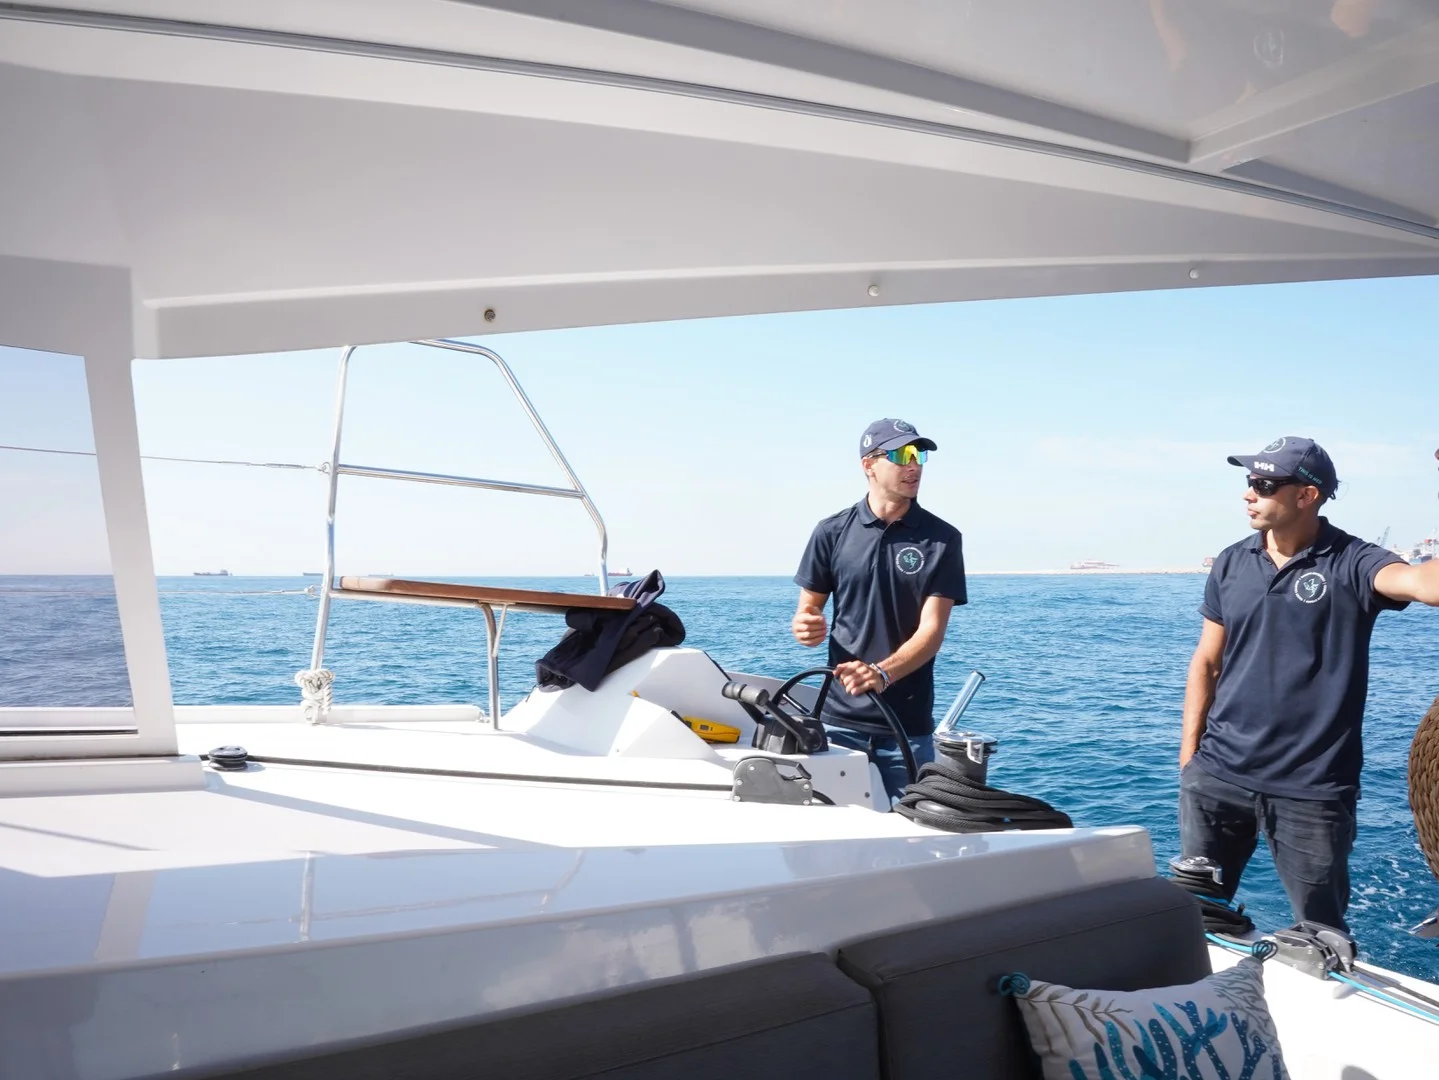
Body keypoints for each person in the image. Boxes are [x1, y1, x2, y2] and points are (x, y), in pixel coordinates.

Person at [1180, 436, 1439, 930]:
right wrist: (1190, 759)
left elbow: (1423, 585)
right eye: (1249, 482)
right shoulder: (1232, 562)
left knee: (1322, 934)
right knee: (1197, 919)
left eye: (1264, 483)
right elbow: (1207, 662)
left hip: (1312, 790)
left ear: (1307, 496)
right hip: (1216, 777)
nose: (1248, 494)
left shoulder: (1354, 562)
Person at [791, 418, 967, 803]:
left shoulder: (942, 539)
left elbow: (932, 632)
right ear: (869, 464)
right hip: (837, 724)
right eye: (903, 455)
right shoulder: (831, 532)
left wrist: (881, 673)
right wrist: (806, 628)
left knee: (911, 834)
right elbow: (808, 613)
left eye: (919, 455)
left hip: (907, 725)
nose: (914, 466)